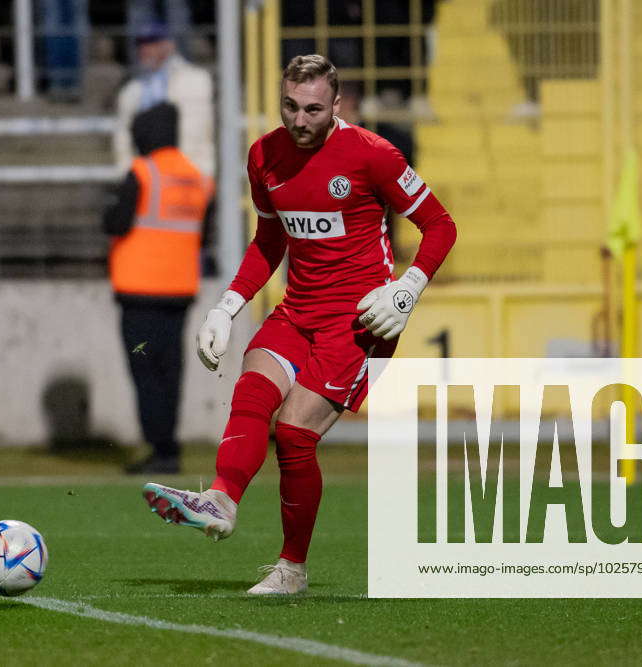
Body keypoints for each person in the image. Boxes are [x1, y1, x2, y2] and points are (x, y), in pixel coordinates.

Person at [141, 55, 457, 594]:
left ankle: (292, 570)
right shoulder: (264, 155)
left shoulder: (372, 155)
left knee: (292, 433)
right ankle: (219, 500)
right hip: (298, 307)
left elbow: (440, 226)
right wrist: (226, 307)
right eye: (290, 106)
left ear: (336, 105)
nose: (300, 119)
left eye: (313, 108)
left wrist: (407, 290)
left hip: (360, 320)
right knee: (252, 388)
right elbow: (270, 243)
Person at [105, 102, 214, 475]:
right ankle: (169, 448)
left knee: (146, 371)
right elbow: (204, 234)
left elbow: (116, 223)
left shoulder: (142, 173)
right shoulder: (196, 177)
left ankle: (160, 448)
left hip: (140, 294)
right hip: (179, 292)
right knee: (171, 370)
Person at [114, 22, 214, 177]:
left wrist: (198, 172)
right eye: (142, 43)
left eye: (153, 42)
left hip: (188, 174)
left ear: (169, 44)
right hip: (148, 177)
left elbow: (196, 131)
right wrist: (128, 174)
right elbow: (123, 137)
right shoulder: (131, 91)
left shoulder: (196, 80)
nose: (146, 49)